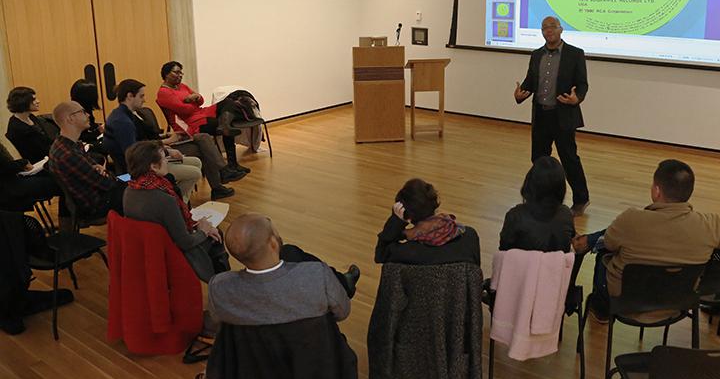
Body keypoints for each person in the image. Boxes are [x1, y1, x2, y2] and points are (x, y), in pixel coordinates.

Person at [576, 159, 720, 322]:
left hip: (627, 301)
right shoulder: (711, 225)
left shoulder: (630, 220)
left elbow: (608, 242)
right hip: (678, 302)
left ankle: (601, 310)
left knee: (603, 252)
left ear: (656, 191)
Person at [208, 213, 351, 326]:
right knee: (290, 251)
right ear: (273, 243)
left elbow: (219, 323)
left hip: (253, 359)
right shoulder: (316, 275)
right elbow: (342, 313)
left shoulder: (219, 288)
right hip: (310, 355)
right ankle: (346, 282)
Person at [514, 16, 590, 215]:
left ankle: (581, 199)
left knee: (569, 159)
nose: (548, 31)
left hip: (563, 115)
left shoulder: (575, 54)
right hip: (541, 114)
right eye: (544, 28)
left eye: (552, 27)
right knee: (538, 159)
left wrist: (577, 98)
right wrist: (520, 93)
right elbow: (530, 81)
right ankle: (540, 198)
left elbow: (582, 84)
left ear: (561, 30)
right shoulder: (536, 55)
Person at [123, 141, 229, 282]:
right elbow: (185, 242)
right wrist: (203, 230)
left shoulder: (129, 190)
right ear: (153, 166)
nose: (167, 161)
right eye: (164, 158)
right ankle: (222, 284)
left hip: (147, 250)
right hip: (170, 251)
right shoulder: (164, 198)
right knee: (216, 234)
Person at [104, 79, 204, 202]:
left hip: (147, 159)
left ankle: (177, 202)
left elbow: (143, 140)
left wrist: (163, 144)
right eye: (141, 96)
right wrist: (166, 151)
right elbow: (135, 153)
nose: (144, 99)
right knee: (194, 173)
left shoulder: (126, 114)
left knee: (196, 162)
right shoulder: (123, 122)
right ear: (130, 96)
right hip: (139, 169)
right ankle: (175, 204)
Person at [156, 61, 252, 175]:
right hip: (190, 123)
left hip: (202, 113)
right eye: (176, 72)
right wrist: (193, 100)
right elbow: (185, 110)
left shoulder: (182, 86)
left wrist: (195, 98)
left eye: (181, 73)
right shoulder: (164, 92)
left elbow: (201, 100)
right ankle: (230, 164)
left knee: (229, 102)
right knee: (225, 126)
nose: (180, 75)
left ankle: (232, 162)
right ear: (166, 74)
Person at [48, 101, 126, 221]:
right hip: (98, 204)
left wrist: (101, 170)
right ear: (71, 118)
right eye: (83, 112)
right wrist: (108, 175)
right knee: (142, 181)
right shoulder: (68, 154)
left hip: (99, 193)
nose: (88, 115)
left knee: (134, 177)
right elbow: (107, 184)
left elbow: (96, 170)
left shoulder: (68, 144)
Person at [375, 178, 480, 265]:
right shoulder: (470, 236)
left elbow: (380, 254)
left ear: (407, 215)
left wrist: (396, 222)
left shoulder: (405, 253)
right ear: (434, 204)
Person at [499, 156, 576, 252]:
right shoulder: (566, 214)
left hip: (522, 265)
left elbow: (504, 250)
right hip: (555, 266)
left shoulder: (515, 216)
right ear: (561, 188)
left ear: (530, 183)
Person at [0, 142, 61, 212]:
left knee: (58, 177)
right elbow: (4, 167)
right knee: (60, 184)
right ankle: (68, 220)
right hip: (7, 189)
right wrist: (22, 163)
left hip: (11, 180)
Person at [6, 86, 58, 164]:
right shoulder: (17, 128)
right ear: (23, 102)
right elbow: (39, 151)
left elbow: (46, 140)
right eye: (34, 99)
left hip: (50, 155)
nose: (38, 101)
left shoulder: (30, 116)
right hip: (42, 163)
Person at [69, 79, 106, 150]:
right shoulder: (75, 113)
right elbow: (81, 137)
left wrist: (98, 126)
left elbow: (90, 125)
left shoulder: (85, 108)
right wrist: (99, 131)